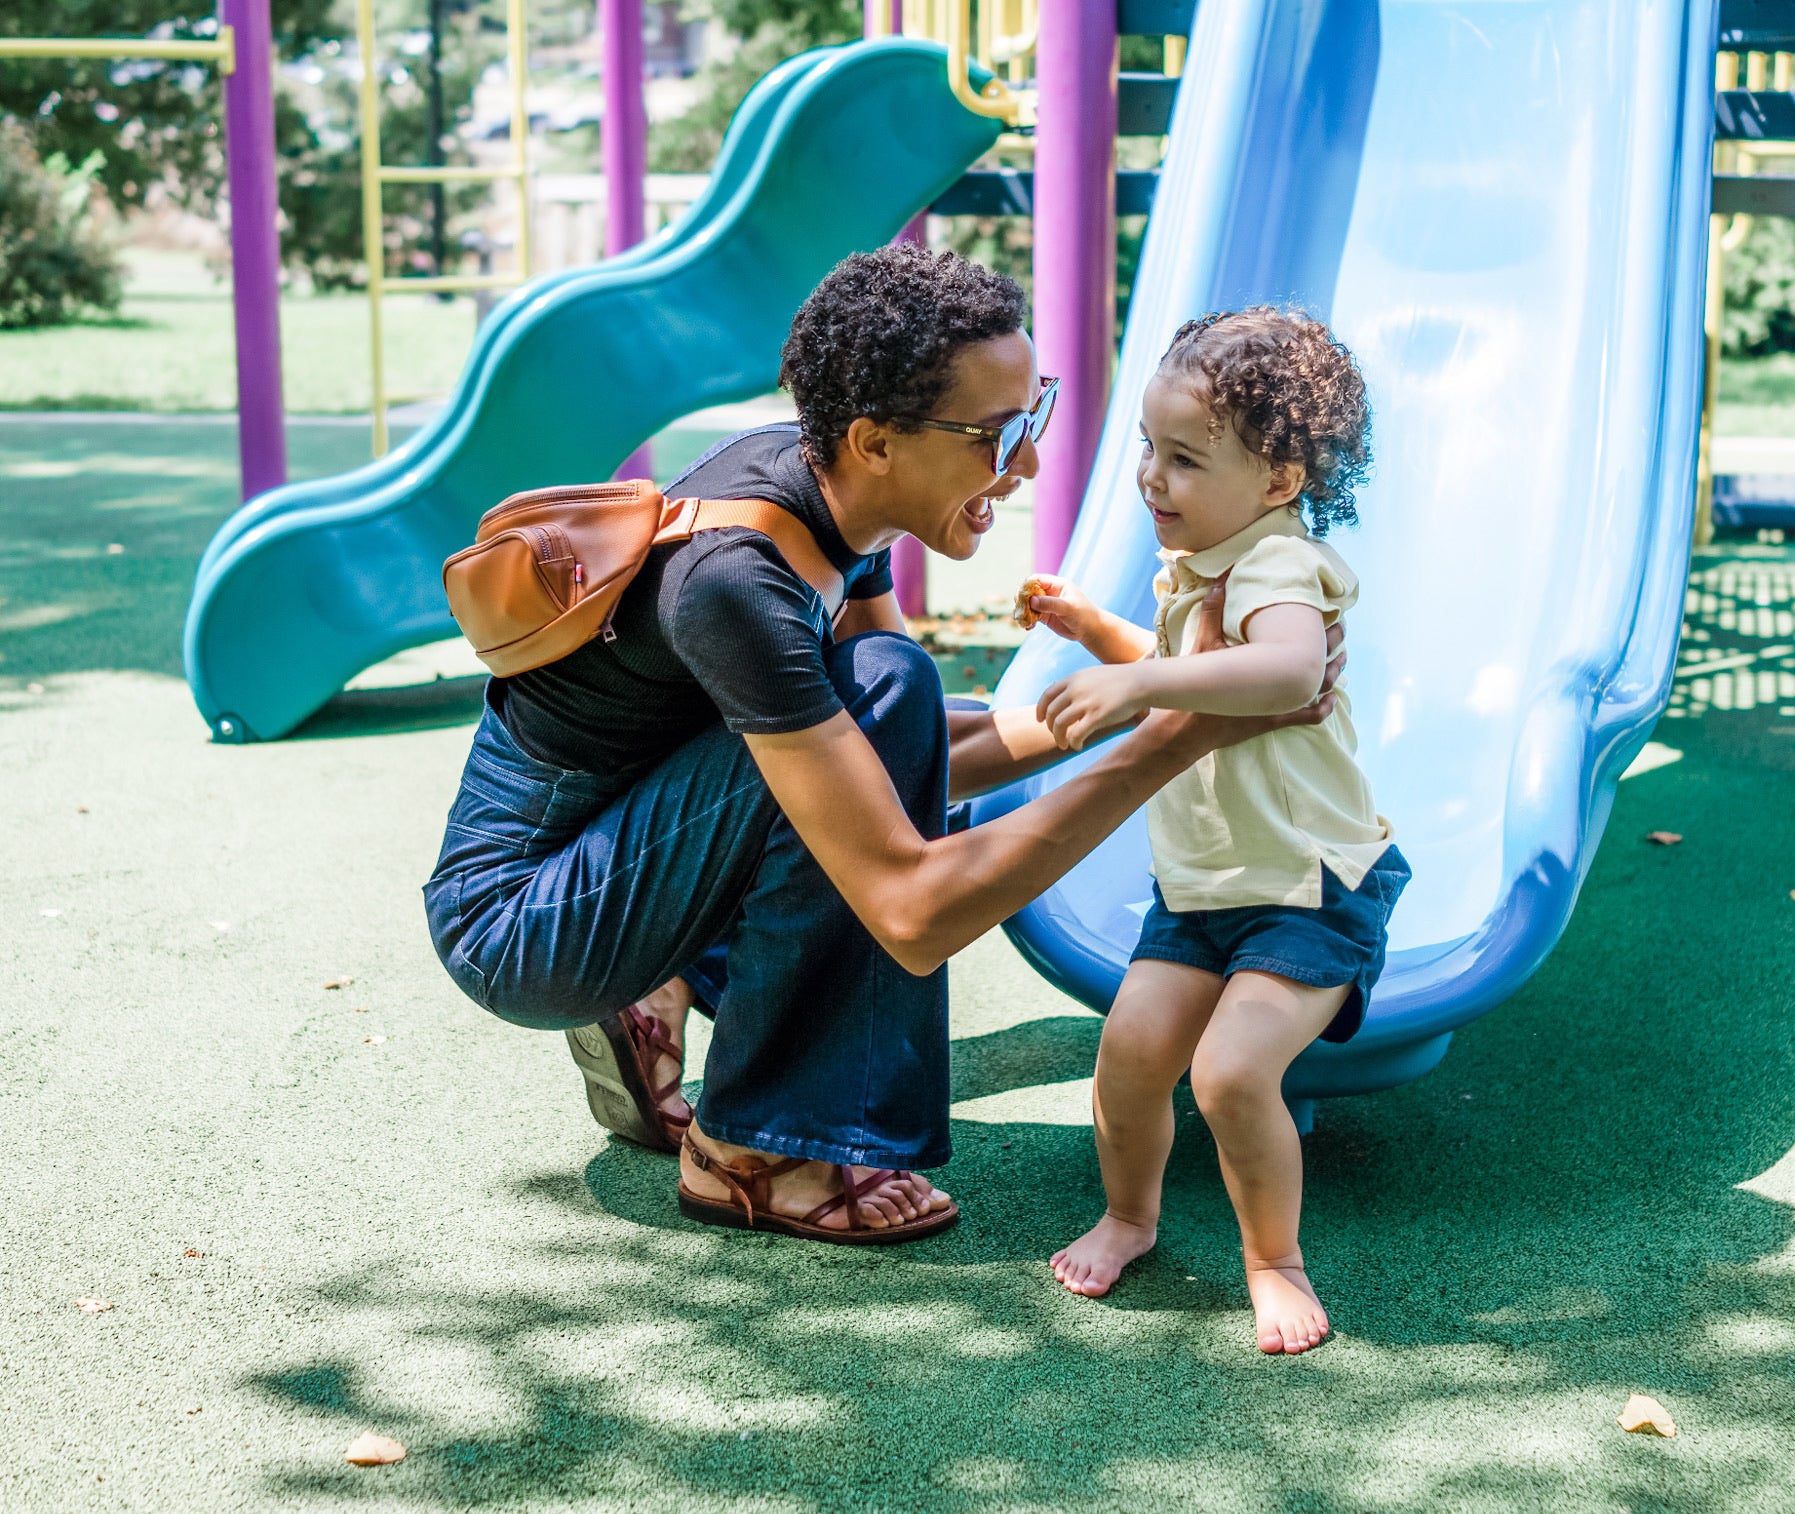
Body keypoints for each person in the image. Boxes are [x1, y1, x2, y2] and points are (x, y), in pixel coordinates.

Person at [423, 251, 1346, 1246]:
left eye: (1030, 413)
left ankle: (665, 978)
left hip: (623, 840)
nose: (1026, 462)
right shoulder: (739, 580)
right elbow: (908, 908)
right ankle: (746, 1151)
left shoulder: (827, 495)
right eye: (997, 434)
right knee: (883, 705)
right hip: (523, 918)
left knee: (891, 693)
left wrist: (1127, 700)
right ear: (873, 441)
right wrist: (1166, 744)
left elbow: (904, 744)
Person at [1018, 308, 1407, 1353]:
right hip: (1200, 887)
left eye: (1184, 458)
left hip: (1308, 884)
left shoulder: (1276, 563)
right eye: (1148, 446)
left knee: (1229, 1072)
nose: (1151, 476)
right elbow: (1182, 660)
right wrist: (1097, 634)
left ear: (1278, 480)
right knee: (1130, 1051)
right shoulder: (1193, 563)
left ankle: (1272, 1258)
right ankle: (1129, 1215)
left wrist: (1136, 674)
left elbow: (1281, 670)